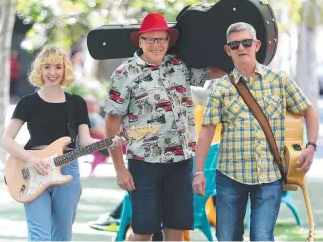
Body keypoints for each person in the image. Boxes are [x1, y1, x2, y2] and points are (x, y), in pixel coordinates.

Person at [104, 12, 226, 241]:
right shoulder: (124, 73)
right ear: (140, 41)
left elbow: (215, 72)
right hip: (144, 163)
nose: (156, 44)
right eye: (150, 39)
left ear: (169, 41)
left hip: (181, 162)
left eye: (161, 39)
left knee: (176, 231)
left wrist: (236, 56)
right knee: (143, 232)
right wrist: (120, 168)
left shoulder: (179, 66)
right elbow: (112, 122)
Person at [193, 22, 319, 241]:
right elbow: (206, 131)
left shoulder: (280, 81)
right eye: (235, 44)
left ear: (257, 45)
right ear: (228, 50)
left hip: (269, 176)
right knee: (227, 238)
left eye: (246, 42)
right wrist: (198, 171)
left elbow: (309, 111)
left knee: (262, 237)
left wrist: (311, 146)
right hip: (230, 176)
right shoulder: (221, 88)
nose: (241, 47)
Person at [1, 46, 126, 241]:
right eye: (47, 67)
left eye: (58, 67)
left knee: (62, 236)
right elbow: (6, 140)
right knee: (40, 236)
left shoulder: (76, 103)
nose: (53, 73)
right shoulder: (27, 103)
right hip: (33, 170)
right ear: (39, 70)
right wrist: (32, 159)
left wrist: (111, 142)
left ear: (65, 69)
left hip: (67, 171)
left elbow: (85, 142)